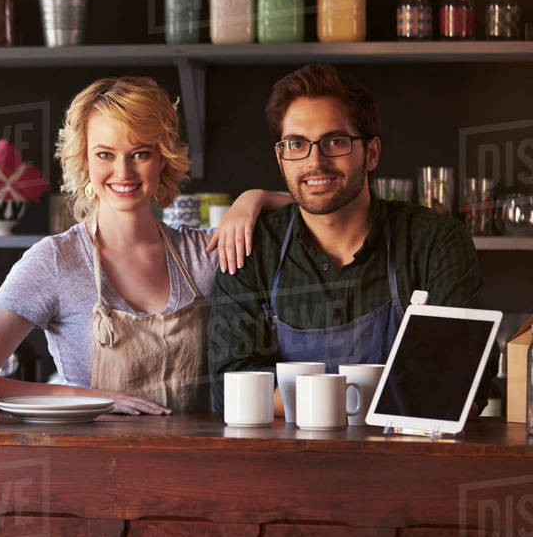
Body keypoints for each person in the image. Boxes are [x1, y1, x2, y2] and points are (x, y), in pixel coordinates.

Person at [0, 76, 290, 415]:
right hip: (89, 467)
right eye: (105, 154)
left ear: (163, 157)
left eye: (140, 153)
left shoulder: (204, 254)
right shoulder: (54, 261)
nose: (123, 172)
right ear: (85, 160)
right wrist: (88, 398)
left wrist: (251, 199)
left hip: (191, 465)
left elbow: (320, 210)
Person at [207, 63, 485, 411]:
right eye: (296, 144)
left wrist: (315, 399)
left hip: (404, 458)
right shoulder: (252, 247)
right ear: (281, 159)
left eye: (335, 141)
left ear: (371, 153)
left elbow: (462, 379)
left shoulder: (434, 242)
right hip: (282, 462)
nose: (315, 161)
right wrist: (379, 394)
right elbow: (227, 388)